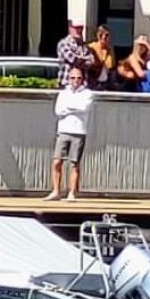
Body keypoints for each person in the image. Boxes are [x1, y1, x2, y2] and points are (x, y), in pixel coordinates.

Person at [46, 65, 93, 202]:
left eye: (78, 78)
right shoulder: (63, 93)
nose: (75, 80)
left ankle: (71, 192)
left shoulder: (87, 93)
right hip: (63, 130)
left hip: (79, 131)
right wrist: (73, 108)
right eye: (72, 78)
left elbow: (83, 108)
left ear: (82, 79)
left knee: (74, 163)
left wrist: (70, 107)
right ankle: (56, 190)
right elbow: (59, 111)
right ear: (68, 78)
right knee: (57, 161)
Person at [88, 24, 117, 90]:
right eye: (101, 34)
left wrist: (108, 49)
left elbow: (110, 65)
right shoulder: (91, 46)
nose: (103, 37)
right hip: (93, 80)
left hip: (106, 81)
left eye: (106, 35)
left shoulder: (109, 48)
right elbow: (93, 63)